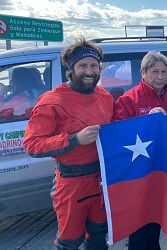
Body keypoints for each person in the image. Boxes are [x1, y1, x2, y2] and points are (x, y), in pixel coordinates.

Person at [23, 36, 113, 250]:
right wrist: (74, 139)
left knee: (100, 237)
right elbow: (32, 144)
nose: (89, 71)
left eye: (93, 66)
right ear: (71, 69)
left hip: (101, 181)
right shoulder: (52, 101)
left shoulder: (105, 96)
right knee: (69, 242)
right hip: (71, 184)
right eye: (83, 66)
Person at [112, 51, 167, 250]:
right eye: (154, 71)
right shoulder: (128, 99)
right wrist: (147, 119)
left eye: (164, 72)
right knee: (138, 219)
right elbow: (118, 132)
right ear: (143, 72)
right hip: (137, 172)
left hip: (161, 169)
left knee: (156, 217)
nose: (160, 76)